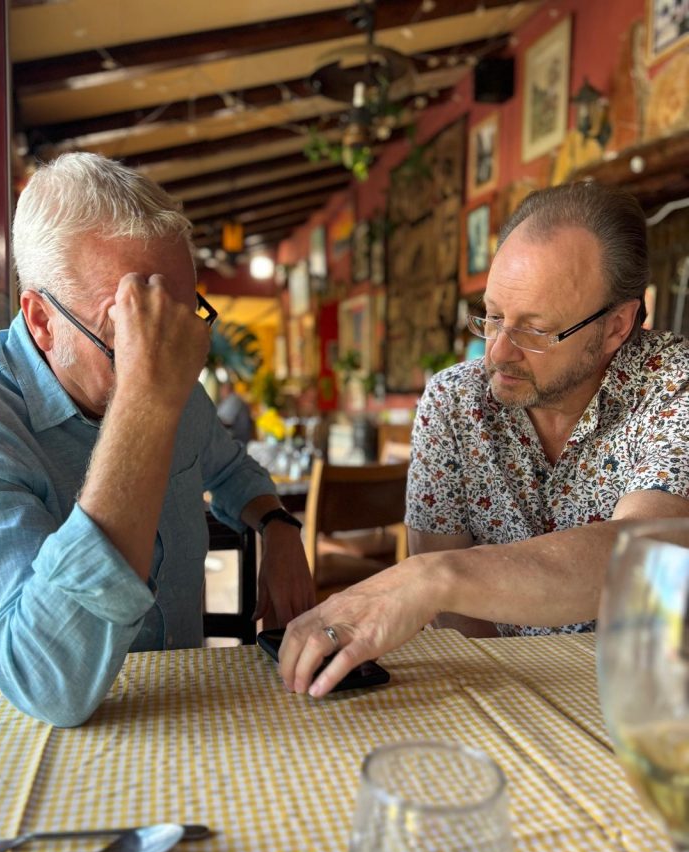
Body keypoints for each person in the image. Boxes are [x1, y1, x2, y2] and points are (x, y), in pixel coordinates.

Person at [0, 152, 313, 725]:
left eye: (178, 322)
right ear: (41, 320)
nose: (165, 353)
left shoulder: (180, 389)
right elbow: (47, 681)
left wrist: (277, 528)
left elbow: (231, 469)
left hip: (167, 715)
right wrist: (145, 402)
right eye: (130, 327)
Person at [280, 180, 689, 697]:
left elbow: (647, 552)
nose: (496, 353)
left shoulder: (672, 385)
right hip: (501, 686)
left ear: (615, 326)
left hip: (645, 692)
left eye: (534, 330)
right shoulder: (455, 401)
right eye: (493, 317)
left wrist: (431, 578)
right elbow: (459, 625)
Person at [216, 377, 254, 445]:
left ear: (227, 389)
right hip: (238, 440)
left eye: (222, 389)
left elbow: (223, 422)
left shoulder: (233, 399)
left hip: (240, 441)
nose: (220, 392)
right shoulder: (229, 400)